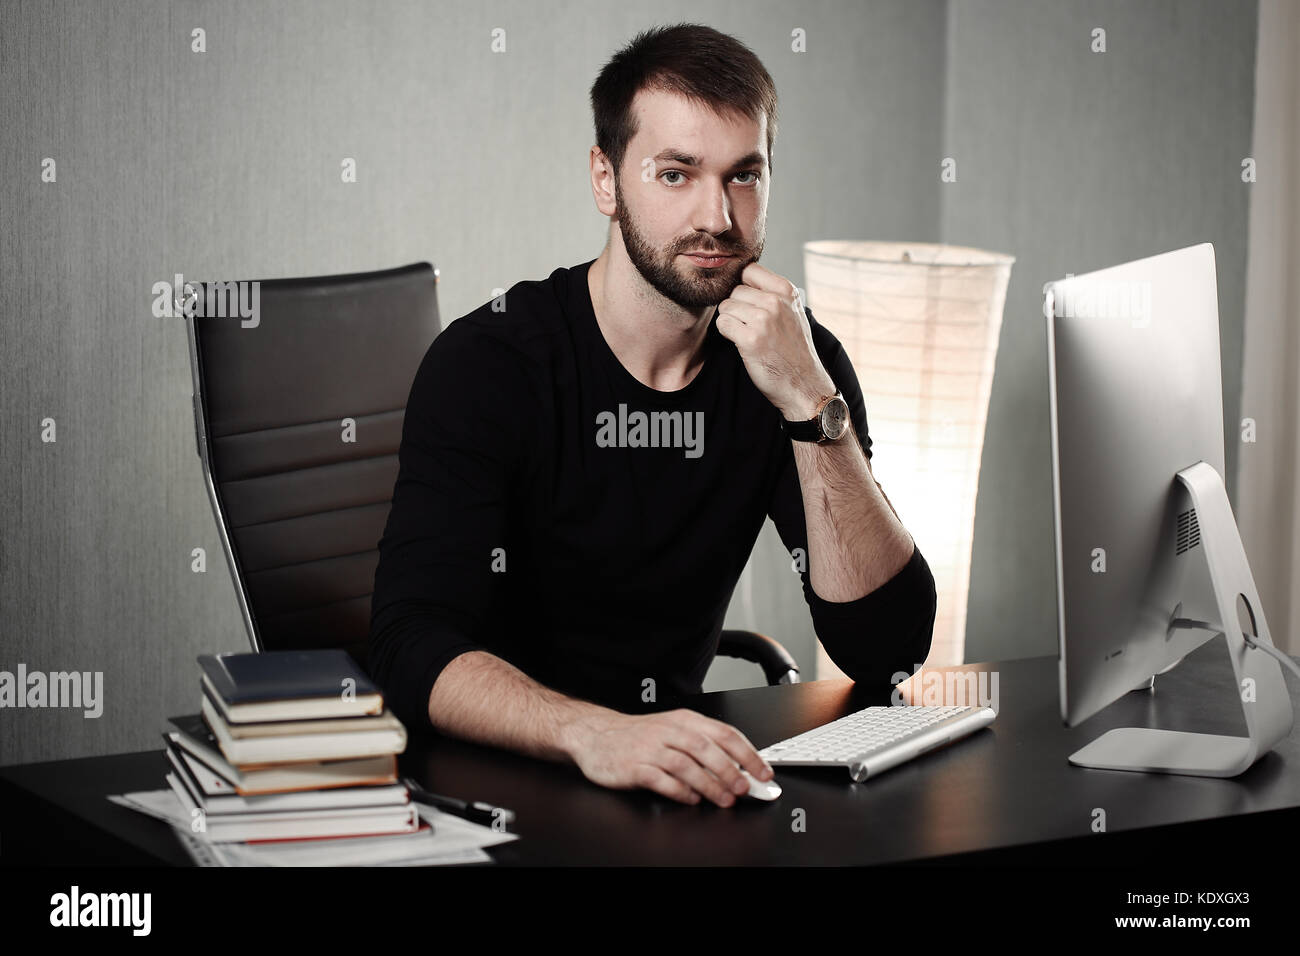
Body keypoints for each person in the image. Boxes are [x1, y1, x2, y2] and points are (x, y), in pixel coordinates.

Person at [369, 22, 936, 809]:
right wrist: (594, 732)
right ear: (605, 179)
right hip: (486, 790)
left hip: (674, 788)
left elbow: (888, 653)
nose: (718, 217)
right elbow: (410, 642)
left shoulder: (793, 362)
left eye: (744, 176)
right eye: (676, 175)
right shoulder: (490, 364)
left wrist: (812, 407)